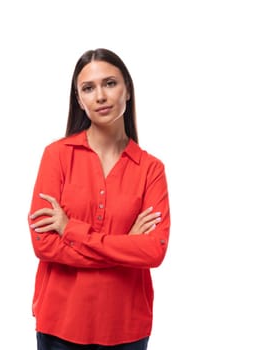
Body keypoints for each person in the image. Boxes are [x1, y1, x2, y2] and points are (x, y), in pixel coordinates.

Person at [28, 48, 171, 350]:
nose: (100, 96)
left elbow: (153, 252)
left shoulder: (151, 169)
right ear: (79, 99)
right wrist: (124, 245)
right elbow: (43, 244)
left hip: (126, 327)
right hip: (60, 323)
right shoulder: (57, 156)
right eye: (88, 88)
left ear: (127, 90)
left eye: (110, 83)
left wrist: (71, 230)